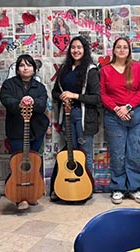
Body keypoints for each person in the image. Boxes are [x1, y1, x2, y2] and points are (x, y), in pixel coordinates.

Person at [100, 37, 140, 204]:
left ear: (129, 50)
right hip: (114, 116)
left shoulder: (138, 67)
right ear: (113, 50)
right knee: (117, 154)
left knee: (136, 152)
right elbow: (103, 94)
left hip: (137, 114)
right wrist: (117, 109)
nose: (121, 50)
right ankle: (118, 188)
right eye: (118, 47)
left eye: (125, 47)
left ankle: (135, 188)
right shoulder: (105, 70)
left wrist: (128, 107)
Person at [0, 54, 49, 210]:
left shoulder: (39, 87)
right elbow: (5, 99)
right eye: (22, 65)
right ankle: (20, 198)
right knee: (19, 162)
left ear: (34, 69)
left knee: (34, 162)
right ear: (17, 69)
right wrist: (19, 102)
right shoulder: (9, 84)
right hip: (16, 129)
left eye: (29, 65)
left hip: (37, 129)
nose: (25, 68)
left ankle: (33, 193)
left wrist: (32, 102)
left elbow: (42, 104)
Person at [52, 35, 101, 175]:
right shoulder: (64, 69)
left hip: (84, 118)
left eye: (79, 47)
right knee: (70, 153)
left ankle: (88, 187)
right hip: (67, 116)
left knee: (85, 154)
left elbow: (97, 98)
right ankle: (72, 188)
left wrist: (75, 96)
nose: (76, 50)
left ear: (85, 50)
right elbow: (55, 92)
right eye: (73, 47)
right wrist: (61, 96)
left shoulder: (91, 70)